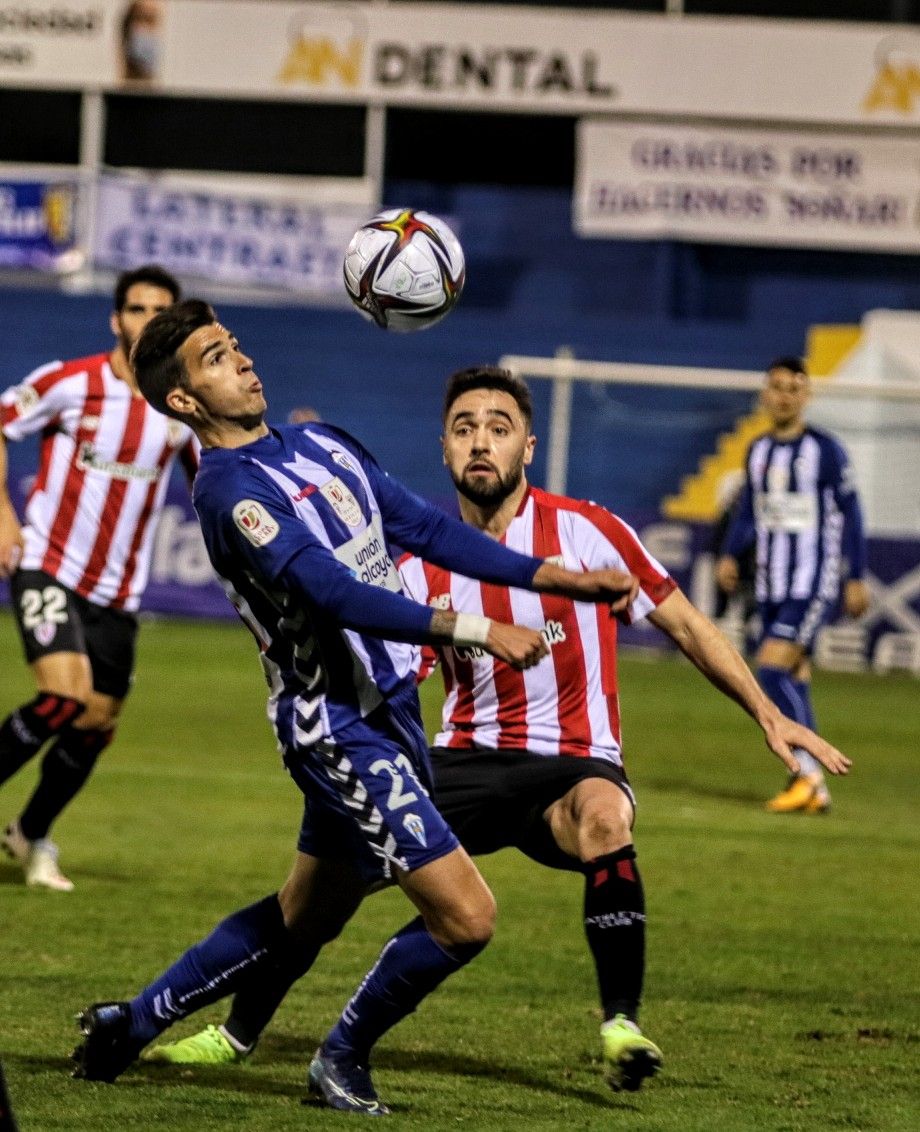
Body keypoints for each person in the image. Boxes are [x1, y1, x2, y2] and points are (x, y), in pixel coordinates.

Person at [77, 362, 851, 1102]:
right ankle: (237, 1031)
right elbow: (383, 663)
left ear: (528, 447)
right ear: (443, 447)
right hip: (462, 759)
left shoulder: (589, 533)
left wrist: (768, 712)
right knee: (317, 899)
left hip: (575, 761)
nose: (481, 442)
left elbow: (685, 623)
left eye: (500, 427)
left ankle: (618, 1023)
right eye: (464, 429)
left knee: (603, 821)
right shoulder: (415, 563)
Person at [71, 302, 656, 1115]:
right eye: (214, 358)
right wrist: (481, 626)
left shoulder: (323, 443)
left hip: (392, 715)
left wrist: (552, 578)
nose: (241, 362)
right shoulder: (229, 492)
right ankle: (339, 1059)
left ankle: (129, 1025)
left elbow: (421, 527)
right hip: (336, 729)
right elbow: (331, 591)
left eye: (234, 345)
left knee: (303, 917)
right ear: (184, 401)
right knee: (468, 918)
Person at [0, 265, 192, 892]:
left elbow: (210, 473)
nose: (146, 321)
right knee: (64, 696)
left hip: (119, 591)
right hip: (49, 566)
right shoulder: (69, 382)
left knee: (95, 723)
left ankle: (30, 833)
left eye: (159, 312)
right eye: (136, 310)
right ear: (116, 319)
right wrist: (3, 516)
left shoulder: (180, 403)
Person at [716, 356, 869, 815]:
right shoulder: (757, 450)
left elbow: (852, 513)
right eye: (777, 387)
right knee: (794, 677)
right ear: (766, 394)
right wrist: (728, 551)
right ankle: (809, 784)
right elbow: (750, 512)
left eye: (793, 388)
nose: (784, 395)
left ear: (805, 396)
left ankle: (809, 776)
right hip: (770, 583)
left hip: (811, 580)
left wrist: (856, 575)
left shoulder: (826, 450)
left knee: (770, 670)